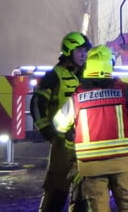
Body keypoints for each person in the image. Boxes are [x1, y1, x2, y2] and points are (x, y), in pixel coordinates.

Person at [53, 45, 128, 212]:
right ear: (109, 66)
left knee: (98, 208)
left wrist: (72, 156)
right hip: (122, 162)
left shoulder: (77, 96)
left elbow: (60, 124)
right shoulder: (124, 91)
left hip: (91, 166)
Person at [30, 31, 91, 212]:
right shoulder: (54, 75)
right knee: (57, 187)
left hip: (84, 142)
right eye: (79, 51)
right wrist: (47, 131)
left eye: (85, 51)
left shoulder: (87, 74)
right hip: (62, 142)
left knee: (83, 188)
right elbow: (37, 104)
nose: (84, 55)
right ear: (68, 51)